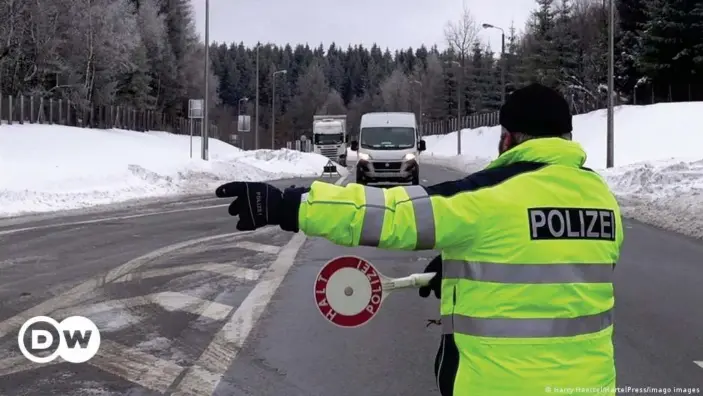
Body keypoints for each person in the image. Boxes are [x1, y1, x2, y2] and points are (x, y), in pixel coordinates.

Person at [215, 83, 623, 396]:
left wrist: (288, 206)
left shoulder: (492, 193)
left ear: (510, 137)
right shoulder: (601, 198)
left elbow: (393, 215)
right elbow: (558, 267)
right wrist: (466, 266)